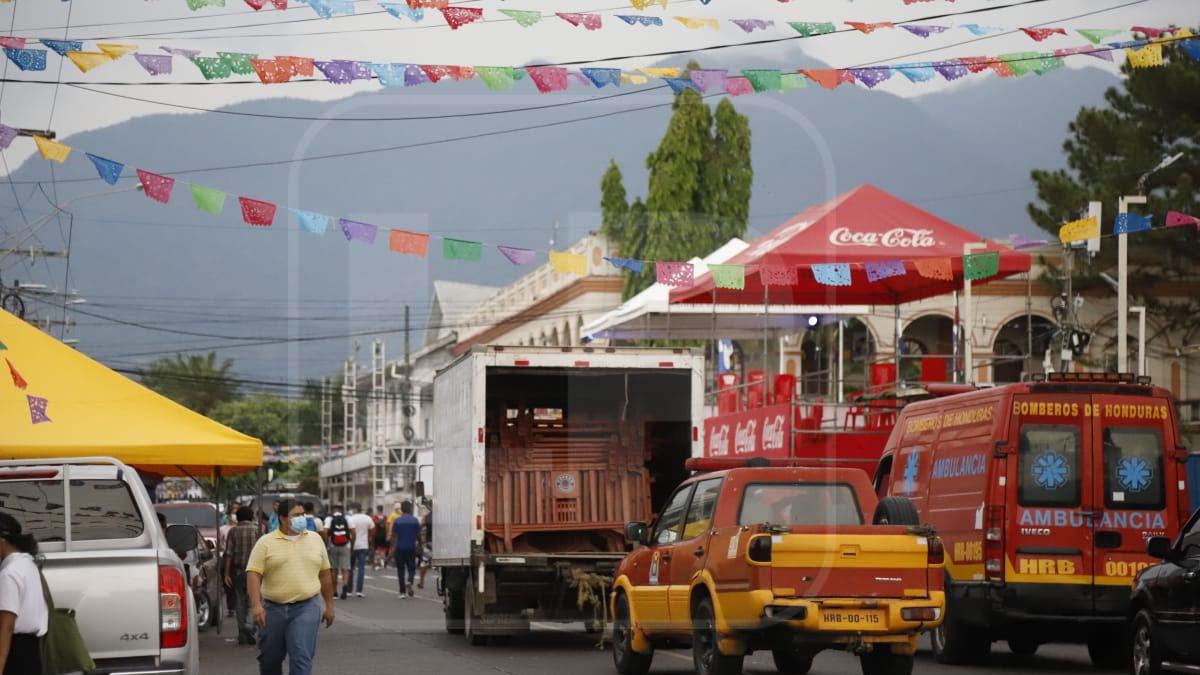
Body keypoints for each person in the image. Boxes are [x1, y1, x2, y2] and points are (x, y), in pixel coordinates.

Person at [247, 499, 334, 675]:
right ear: (283, 518)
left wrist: (330, 607)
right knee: (270, 660)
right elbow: (253, 574)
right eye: (297, 515)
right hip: (272, 610)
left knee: (301, 658)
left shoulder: (315, 539)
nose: (302, 518)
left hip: (306, 607)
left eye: (303, 514)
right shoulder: (266, 542)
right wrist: (256, 605)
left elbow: (325, 574)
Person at [0, 513, 48, 675]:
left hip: (13, 653)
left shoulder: (9, 573)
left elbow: (6, 626)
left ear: (2, 540)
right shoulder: (28, 564)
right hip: (32, 653)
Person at [224, 506, 259, 645]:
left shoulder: (233, 531)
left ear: (238, 517)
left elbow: (228, 554)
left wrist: (226, 573)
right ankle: (250, 628)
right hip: (256, 571)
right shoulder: (258, 530)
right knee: (253, 600)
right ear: (251, 516)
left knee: (240, 601)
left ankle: (242, 632)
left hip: (238, 571)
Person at [390, 501, 421, 598]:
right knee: (411, 567)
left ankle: (402, 592)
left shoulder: (397, 521)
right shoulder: (415, 520)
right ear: (410, 509)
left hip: (400, 548)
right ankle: (410, 581)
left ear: (402, 509)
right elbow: (418, 534)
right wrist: (420, 544)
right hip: (411, 547)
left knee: (400, 570)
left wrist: (392, 548)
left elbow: (394, 536)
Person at [323, 506, 353, 600]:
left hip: (333, 546)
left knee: (334, 569)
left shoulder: (329, 518)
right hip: (345, 546)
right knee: (345, 569)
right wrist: (351, 543)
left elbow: (325, 532)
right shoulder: (348, 518)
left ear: (333, 510)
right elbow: (353, 532)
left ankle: (335, 592)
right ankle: (345, 588)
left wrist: (326, 544)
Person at [347, 503, 374, 598]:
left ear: (354, 509)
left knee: (350, 568)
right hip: (363, 545)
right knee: (361, 568)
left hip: (352, 545)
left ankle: (349, 590)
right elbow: (372, 529)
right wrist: (369, 540)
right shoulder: (367, 518)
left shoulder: (350, 518)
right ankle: (359, 591)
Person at [220, 504, 238, 618]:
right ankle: (232, 608)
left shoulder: (240, 528)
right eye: (233, 512)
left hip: (237, 559)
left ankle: (237, 606)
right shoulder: (222, 529)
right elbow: (220, 544)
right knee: (228, 585)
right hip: (226, 558)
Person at [417, 504, 433, 590]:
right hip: (444, 544)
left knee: (424, 562)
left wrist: (421, 542)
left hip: (430, 544)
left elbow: (419, 528)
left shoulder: (427, 517)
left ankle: (421, 581)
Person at [371, 506, 389, 571]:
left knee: (376, 550)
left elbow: (372, 527)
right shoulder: (385, 517)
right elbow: (387, 527)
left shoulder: (374, 518)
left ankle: (376, 564)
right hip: (383, 536)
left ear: (377, 510)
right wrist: (387, 535)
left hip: (376, 536)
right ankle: (382, 564)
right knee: (383, 550)